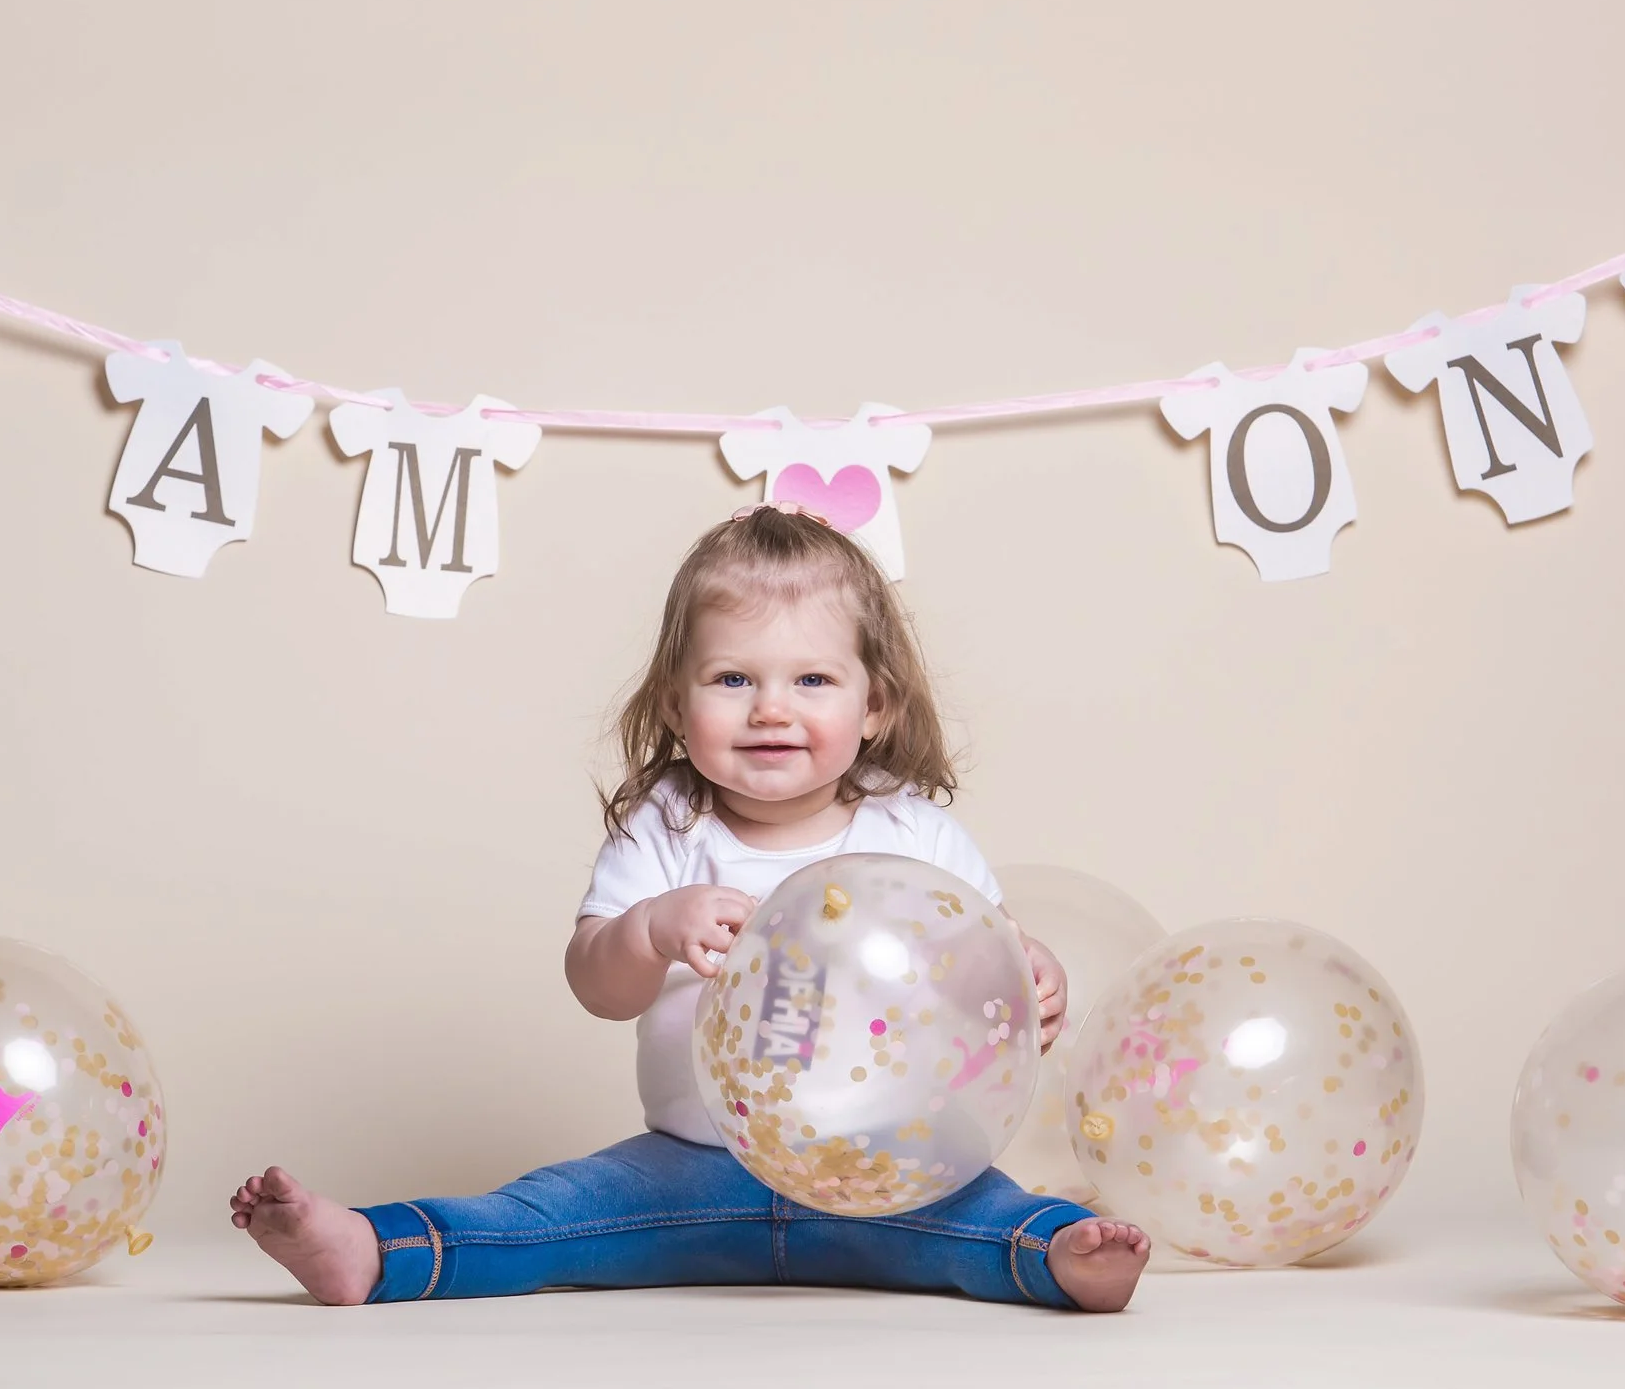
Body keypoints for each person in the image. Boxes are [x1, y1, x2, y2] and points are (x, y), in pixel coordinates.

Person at [231, 504, 1150, 1310]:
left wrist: (1036, 973)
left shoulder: (915, 834)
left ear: (878, 704)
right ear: (677, 702)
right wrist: (649, 927)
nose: (770, 709)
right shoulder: (667, 827)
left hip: (886, 1178)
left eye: (813, 680)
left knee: (996, 1212)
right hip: (690, 1170)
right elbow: (596, 983)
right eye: (733, 679)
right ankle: (376, 1248)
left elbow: (985, 971)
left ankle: (1059, 1256)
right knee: (544, 1213)